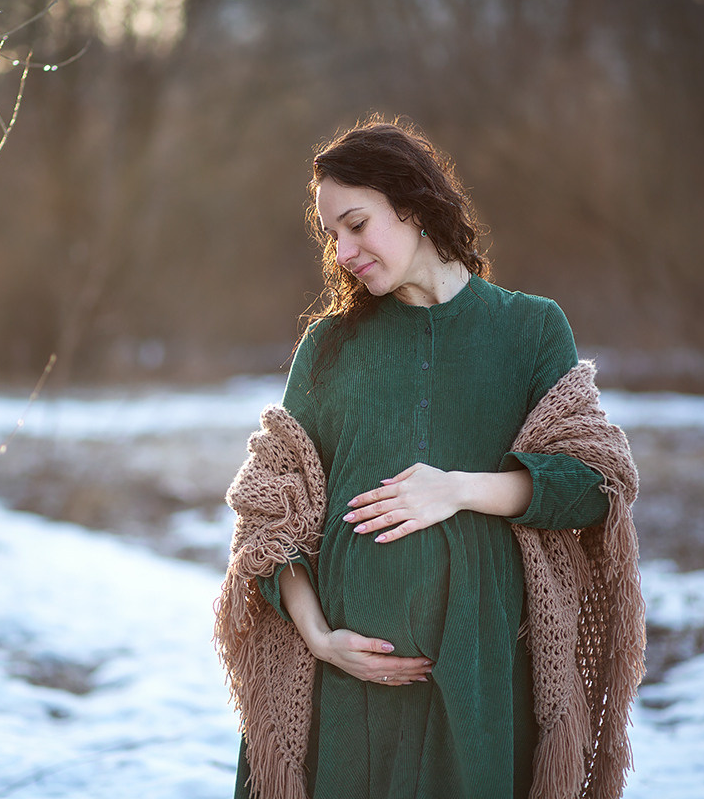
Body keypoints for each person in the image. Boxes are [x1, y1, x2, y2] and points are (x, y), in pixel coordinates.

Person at [217, 116, 643, 799]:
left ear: (412, 206)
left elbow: (595, 482)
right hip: (344, 695)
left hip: (481, 678)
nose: (343, 251)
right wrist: (322, 639)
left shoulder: (530, 329)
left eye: (357, 223)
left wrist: (458, 489)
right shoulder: (328, 348)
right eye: (331, 235)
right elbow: (272, 519)